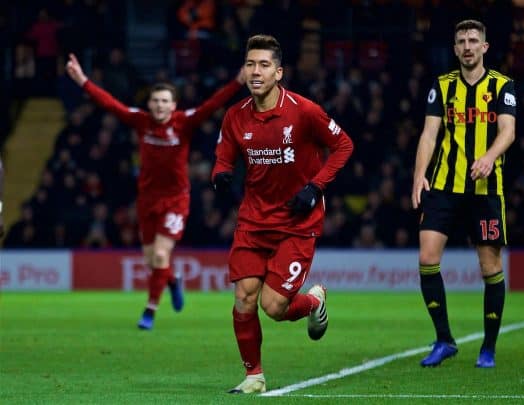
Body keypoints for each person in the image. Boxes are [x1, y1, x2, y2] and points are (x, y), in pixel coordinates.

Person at [212, 35, 353, 394]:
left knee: (273, 307)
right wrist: (220, 175)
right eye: (250, 65)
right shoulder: (235, 116)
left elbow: (343, 145)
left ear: (279, 72)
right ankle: (254, 376)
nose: (255, 72)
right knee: (244, 296)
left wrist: (315, 187)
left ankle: (313, 301)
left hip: (297, 222)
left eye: (262, 65)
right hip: (253, 221)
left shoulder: (304, 111)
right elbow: (224, 156)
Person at [65, 53, 245, 330]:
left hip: (176, 200)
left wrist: (237, 82)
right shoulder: (141, 121)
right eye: (155, 101)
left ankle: (149, 310)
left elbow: (212, 105)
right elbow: (110, 104)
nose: (159, 106)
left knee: (161, 255)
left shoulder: (183, 122)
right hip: (147, 199)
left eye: (165, 102)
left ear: (173, 106)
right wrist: (83, 81)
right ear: (149, 104)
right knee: (152, 261)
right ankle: (173, 281)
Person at [411, 20, 516, 368]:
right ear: (455, 49)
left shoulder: (502, 85)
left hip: (485, 190)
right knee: (427, 258)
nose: (468, 46)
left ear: (485, 47)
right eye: (461, 41)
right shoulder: (442, 87)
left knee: (489, 266)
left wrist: (488, 156)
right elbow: (429, 135)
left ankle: (488, 347)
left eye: (474, 41)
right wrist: (418, 176)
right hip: (443, 186)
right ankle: (444, 340)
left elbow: (508, 131)